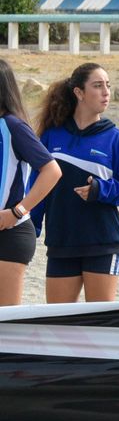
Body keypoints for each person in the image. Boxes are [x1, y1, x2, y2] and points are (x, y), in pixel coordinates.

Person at [34, 63, 119, 303]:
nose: (106, 92)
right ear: (79, 93)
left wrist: (101, 190)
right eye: (98, 85)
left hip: (104, 243)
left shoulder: (115, 139)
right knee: (58, 325)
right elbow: (37, 186)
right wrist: (31, 230)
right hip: (62, 241)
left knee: (98, 324)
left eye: (108, 86)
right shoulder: (52, 136)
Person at [0, 58, 62, 305]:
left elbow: (52, 171)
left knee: (4, 322)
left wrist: (17, 211)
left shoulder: (14, 127)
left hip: (10, 233)